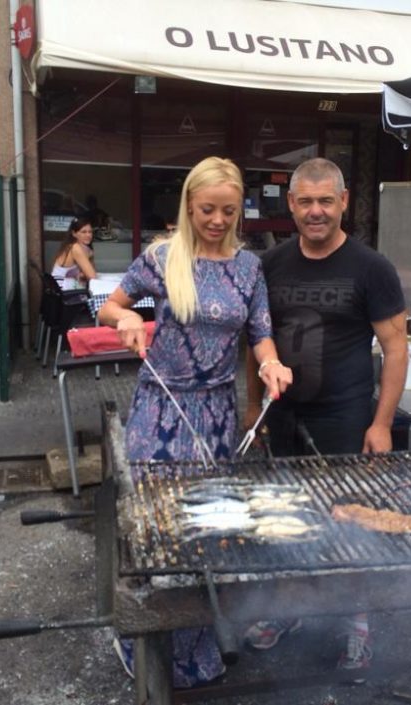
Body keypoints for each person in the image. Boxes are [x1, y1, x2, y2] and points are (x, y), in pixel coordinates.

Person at [97, 156, 293, 688]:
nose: (217, 220)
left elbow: (260, 333)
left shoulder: (250, 267)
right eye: (208, 209)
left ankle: (198, 650)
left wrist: (271, 362)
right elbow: (108, 308)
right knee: (157, 527)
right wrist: (129, 318)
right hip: (159, 409)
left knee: (208, 529)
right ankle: (146, 646)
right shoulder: (161, 258)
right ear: (189, 204)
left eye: (228, 211)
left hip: (216, 412)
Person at [243, 157, 409, 678]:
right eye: (306, 201)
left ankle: (357, 621)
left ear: (343, 204)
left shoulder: (371, 268)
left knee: (349, 520)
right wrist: (253, 408)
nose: (316, 212)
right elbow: (253, 341)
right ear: (290, 205)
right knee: (288, 519)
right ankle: (292, 610)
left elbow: (396, 347)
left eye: (326, 201)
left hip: (345, 416)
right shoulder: (269, 265)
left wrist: (381, 424)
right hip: (284, 415)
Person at [51, 217, 96, 291]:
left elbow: (92, 271)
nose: (88, 235)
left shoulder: (78, 247)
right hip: (63, 292)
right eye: (83, 232)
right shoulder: (75, 248)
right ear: (74, 234)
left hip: (63, 289)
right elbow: (93, 276)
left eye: (90, 232)